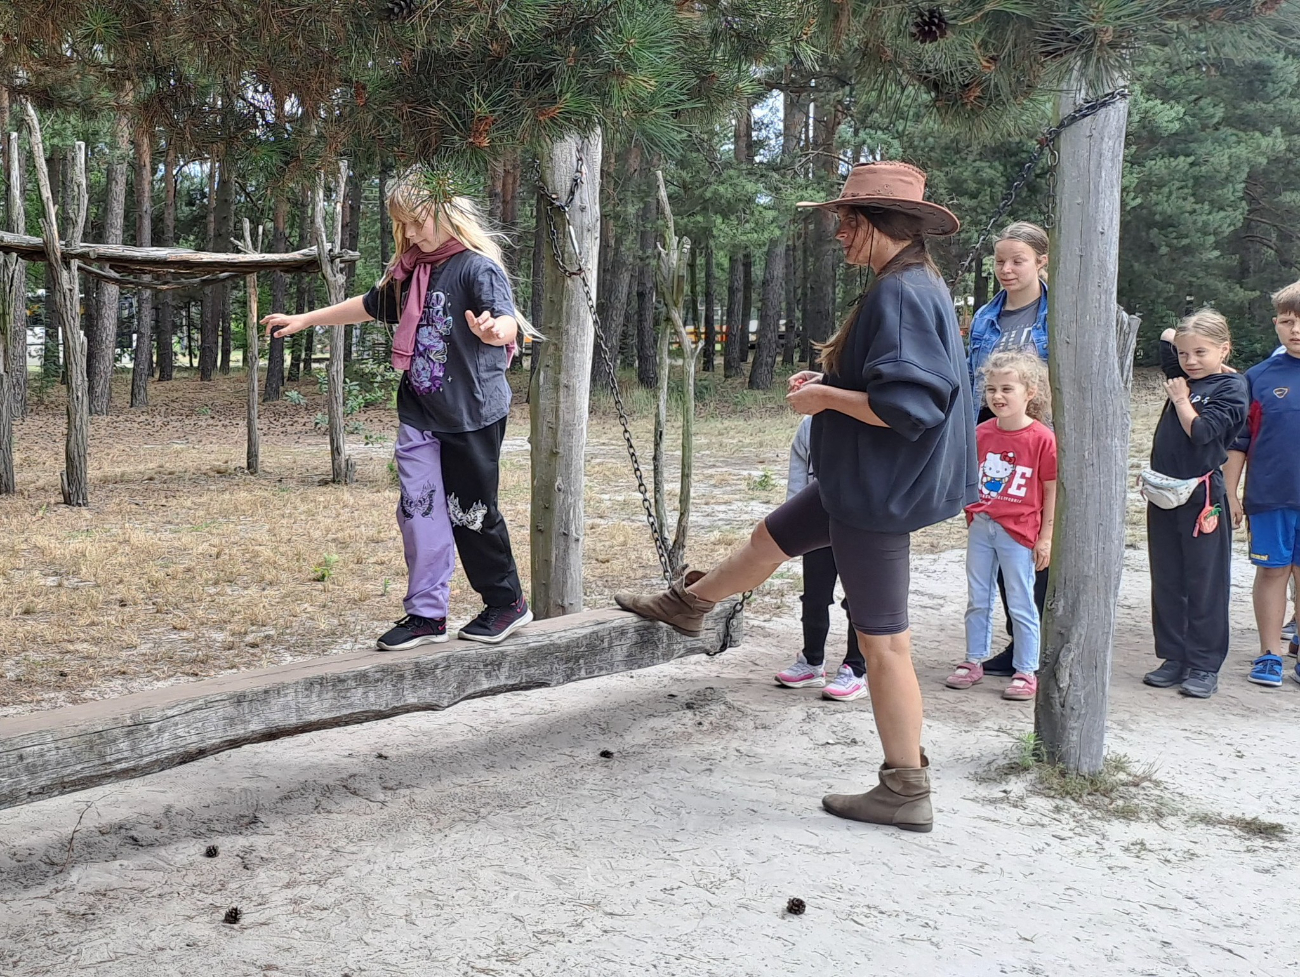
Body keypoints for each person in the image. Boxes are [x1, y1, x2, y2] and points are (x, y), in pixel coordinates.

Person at [615, 161, 975, 833]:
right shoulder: (911, 281)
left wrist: (824, 398)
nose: (838, 234)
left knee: (884, 645)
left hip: (875, 494)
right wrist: (831, 383)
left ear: (876, 224)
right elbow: (893, 384)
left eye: (846, 222)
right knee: (771, 537)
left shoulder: (901, 293)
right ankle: (689, 604)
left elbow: (910, 407)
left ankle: (906, 787)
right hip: (855, 480)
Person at [262, 166, 537, 649]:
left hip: (470, 414)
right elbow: (370, 306)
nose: (409, 234)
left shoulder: (477, 268)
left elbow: (506, 319)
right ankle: (427, 615)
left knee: (469, 512)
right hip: (419, 412)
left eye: (417, 221)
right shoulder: (411, 270)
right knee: (418, 512)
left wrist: (497, 331)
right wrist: (306, 319)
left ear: (446, 211)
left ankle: (507, 603)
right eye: (402, 225)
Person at [1139, 311, 1248, 697]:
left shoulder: (1232, 387)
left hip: (1202, 496)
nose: (1190, 361)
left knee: (1204, 580)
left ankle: (1203, 664)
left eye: (1201, 352)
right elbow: (1165, 337)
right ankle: (1174, 656)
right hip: (1165, 491)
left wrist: (1183, 400)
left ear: (1224, 349)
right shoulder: (1184, 374)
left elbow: (1201, 432)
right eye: (1185, 354)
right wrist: (1185, 341)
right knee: (1167, 577)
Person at [965, 223, 1051, 676]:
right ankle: (1018, 645)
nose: (1007, 269)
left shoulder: (1059, 312)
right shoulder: (985, 317)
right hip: (995, 441)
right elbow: (971, 378)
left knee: (1035, 543)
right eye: (1000, 261)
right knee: (998, 540)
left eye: (1018, 260)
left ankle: (1039, 645)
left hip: (1041, 440)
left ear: (1041, 261)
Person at [945, 350, 1056, 701]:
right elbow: (967, 475)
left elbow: (1051, 488)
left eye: (1007, 389)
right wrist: (972, 513)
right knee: (978, 597)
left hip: (1019, 532)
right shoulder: (981, 433)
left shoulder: (1042, 438)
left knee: (1021, 600)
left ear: (1030, 392)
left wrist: (1046, 537)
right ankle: (973, 660)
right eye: (992, 389)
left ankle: (1025, 669)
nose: (998, 396)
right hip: (983, 526)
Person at [1225, 282, 1300, 687]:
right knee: (1273, 571)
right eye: (1287, 321)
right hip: (1271, 497)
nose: (1296, 330)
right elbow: (1239, 442)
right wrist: (1230, 493)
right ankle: (1269, 652)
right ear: (1275, 324)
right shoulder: (1257, 378)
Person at [774, 415, 866, 701]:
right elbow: (799, 472)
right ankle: (812, 661)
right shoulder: (809, 424)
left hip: (862, 525)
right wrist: (794, 521)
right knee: (814, 596)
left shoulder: (867, 417)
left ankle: (856, 669)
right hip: (818, 523)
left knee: (859, 601)